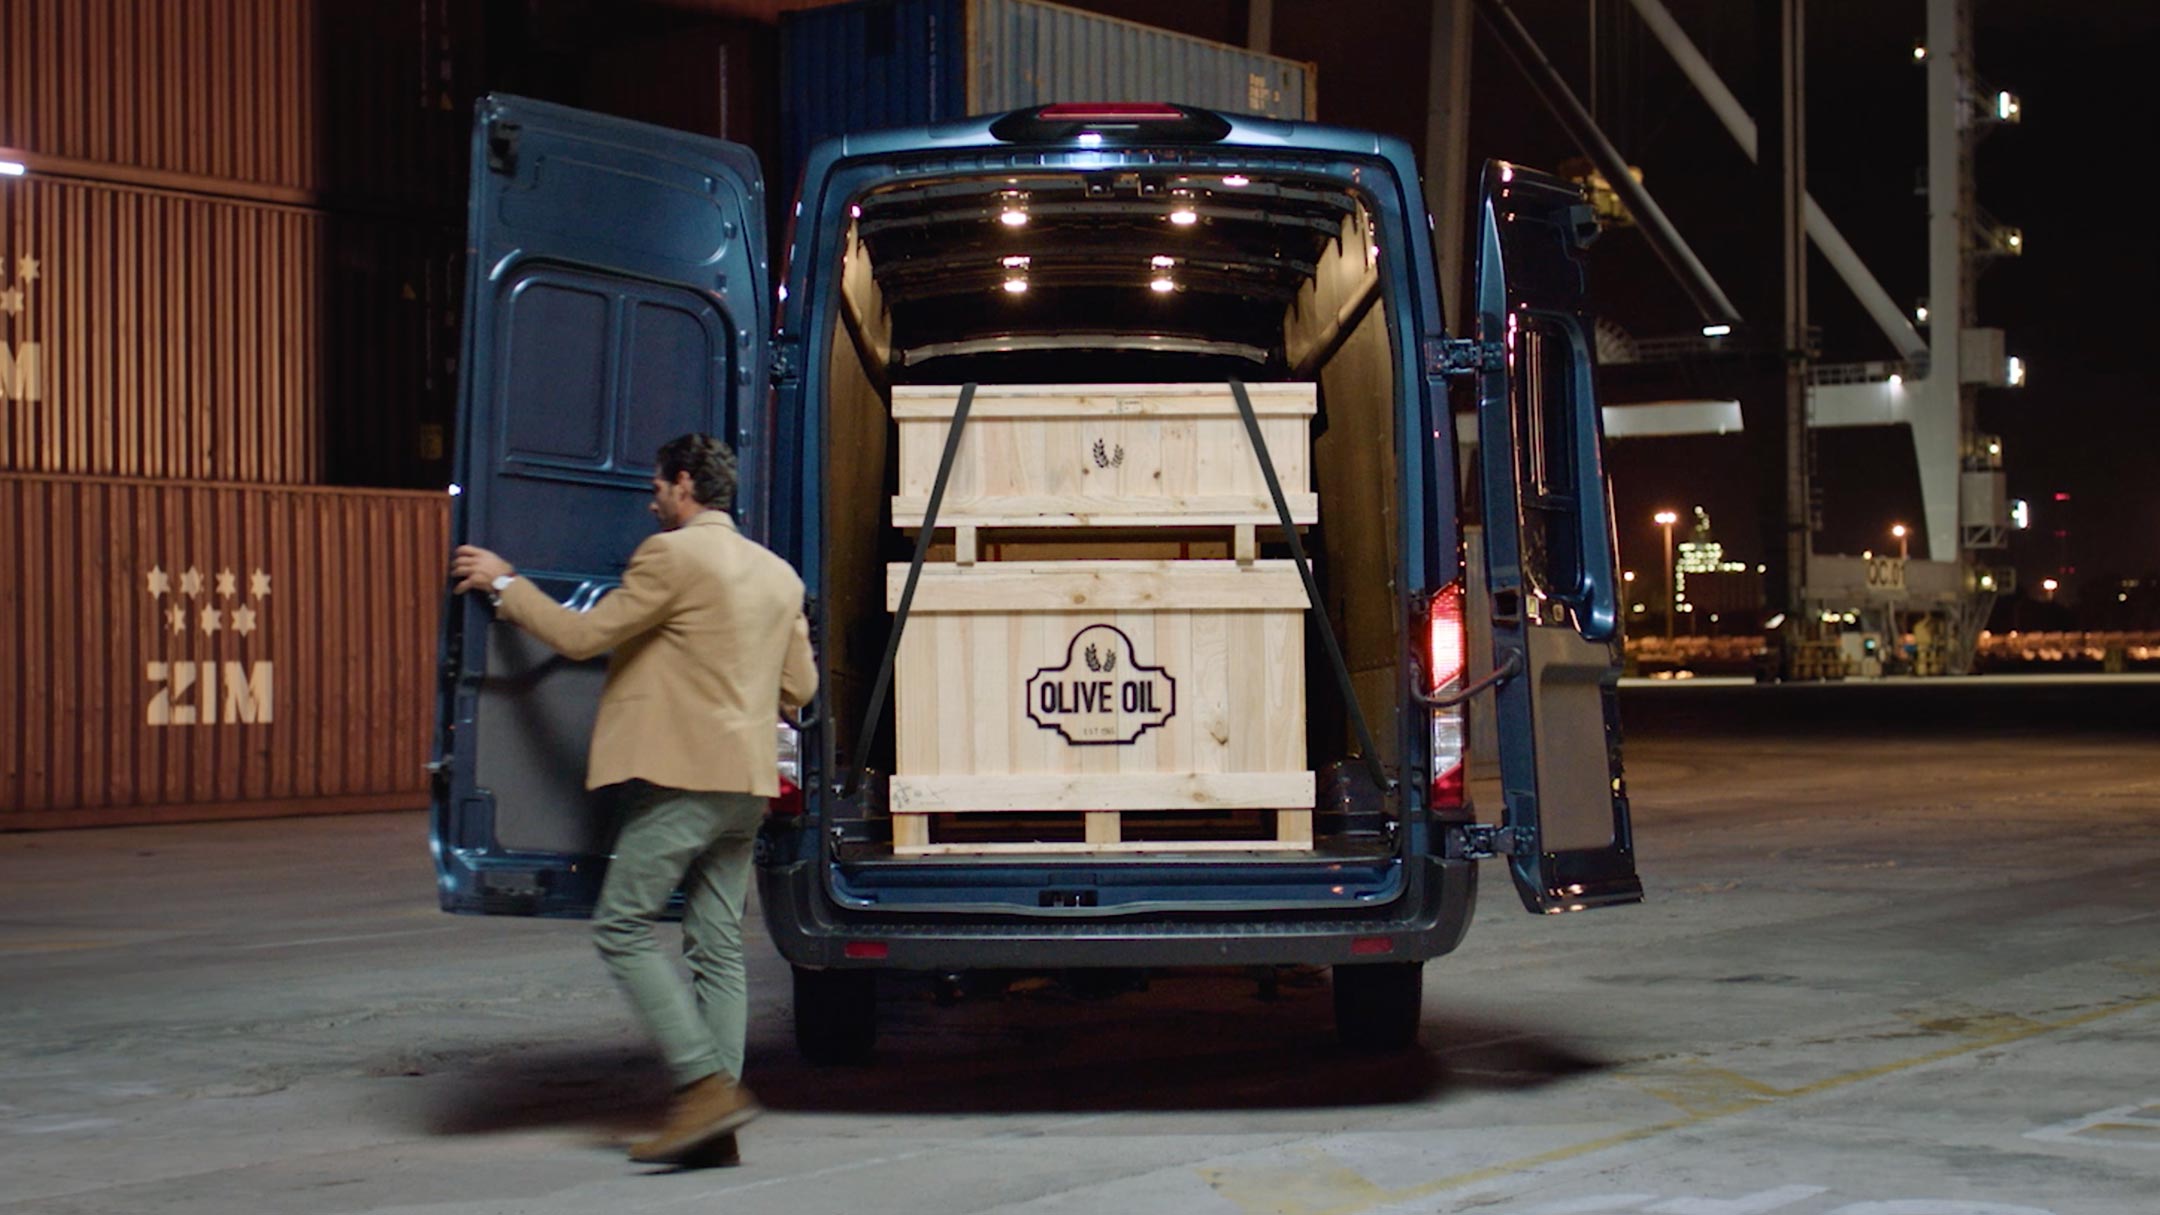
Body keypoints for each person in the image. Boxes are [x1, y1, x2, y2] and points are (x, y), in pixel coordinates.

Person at [451, 434, 817, 1167]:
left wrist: (503, 584)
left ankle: (704, 1085)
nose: (650, 497)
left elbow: (583, 637)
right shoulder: (778, 576)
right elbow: (799, 688)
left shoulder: (670, 556)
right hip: (746, 782)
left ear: (684, 485)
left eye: (657, 485)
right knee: (717, 948)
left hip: (681, 779)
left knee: (620, 925)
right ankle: (716, 1124)